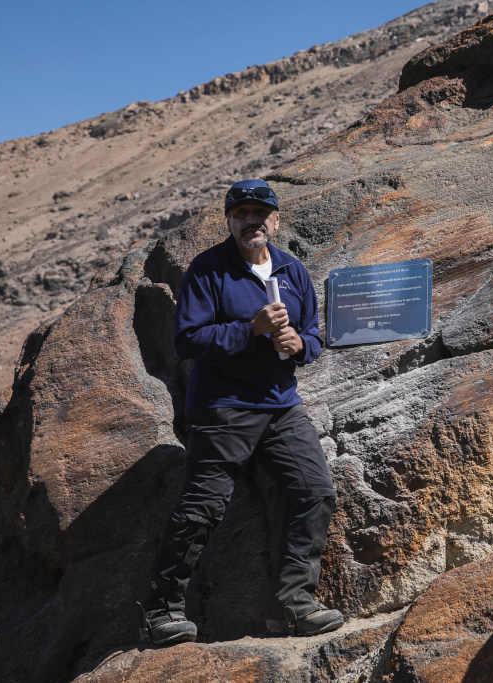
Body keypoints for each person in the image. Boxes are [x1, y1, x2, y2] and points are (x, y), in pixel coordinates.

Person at [138, 179, 343, 645]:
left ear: (276, 219)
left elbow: (314, 335)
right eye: (242, 213)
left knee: (314, 492)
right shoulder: (208, 270)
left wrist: (301, 346)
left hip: (281, 406)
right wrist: (250, 329)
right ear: (230, 221)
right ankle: (160, 612)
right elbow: (187, 341)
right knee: (203, 508)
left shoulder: (293, 270)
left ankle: (293, 606)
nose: (252, 220)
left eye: (260, 212)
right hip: (222, 406)